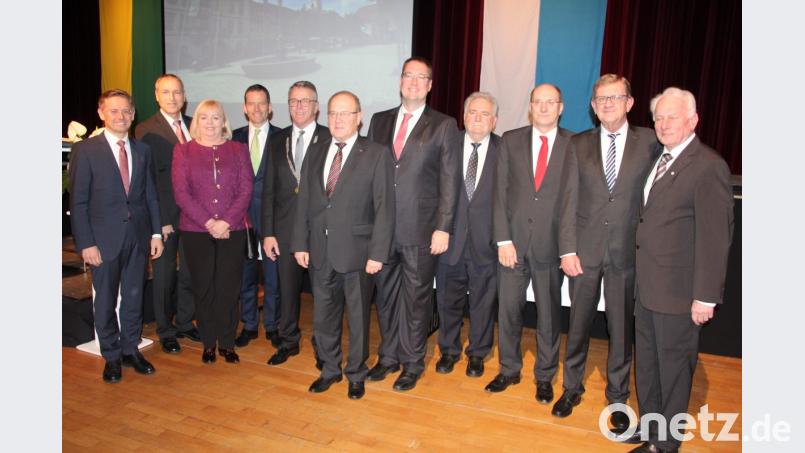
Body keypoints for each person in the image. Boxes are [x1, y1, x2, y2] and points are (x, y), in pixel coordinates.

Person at [626, 87, 733, 453]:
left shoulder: (708, 166)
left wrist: (705, 296)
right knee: (649, 363)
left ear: (693, 120)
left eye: (673, 116)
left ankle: (666, 443)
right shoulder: (659, 158)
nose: (664, 124)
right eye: (659, 117)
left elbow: (715, 238)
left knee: (673, 369)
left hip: (679, 293)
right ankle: (650, 423)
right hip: (648, 287)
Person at [552, 74, 659, 428]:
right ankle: (571, 386)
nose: (607, 104)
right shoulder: (577, 144)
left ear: (630, 103)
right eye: (601, 99)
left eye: (615, 98)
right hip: (584, 251)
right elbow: (566, 200)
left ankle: (617, 397)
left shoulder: (650, 142)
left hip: (627, 253)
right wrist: (567, 249)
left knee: (620, 330)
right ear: (593, 107)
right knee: (578, 324)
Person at [291, 91, 394, 400]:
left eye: (345, 113)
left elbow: (385, 207)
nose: (337, 119)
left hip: (359, 254)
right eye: (333, 113)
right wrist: (300, 242)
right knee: (323, 315)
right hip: (320, 251)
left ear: (358, 118)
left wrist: (378, 253)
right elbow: (305, 202)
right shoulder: (316, 150)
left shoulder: (376, 153)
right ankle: (330, 370)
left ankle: (356, 373)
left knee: (359, 317)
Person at [366, 56, 460, 392]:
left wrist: (443, 227)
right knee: (386, 298)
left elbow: (451, 181)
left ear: (430, 85)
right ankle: (388, 357)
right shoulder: (378, 121)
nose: (414, 82)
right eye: (409, 75)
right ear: (401, 80)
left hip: (422, 230)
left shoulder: (444, 125)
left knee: (417, 300)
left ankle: (412, 362)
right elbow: (371, 175)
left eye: (422, 77)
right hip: (382, 230)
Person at [70, 89, 164, 383]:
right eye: (114, 111)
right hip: (103, 242)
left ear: (133, 114)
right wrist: (86, 243)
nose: (121, 116)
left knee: (134, 297)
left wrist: (156, 233)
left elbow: (150, 195)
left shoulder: (142, 150)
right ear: (101, 113)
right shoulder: (86, 151)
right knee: (105, 300)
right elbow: (79, 202)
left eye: (126, 111)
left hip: (138, 238)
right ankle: (110, 356)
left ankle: (130, 349)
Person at [486, 83, 572, 404]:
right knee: (508, 310)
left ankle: (545, 376)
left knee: (549, 315)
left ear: (561, 107)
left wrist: (567, 247)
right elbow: (500, 194)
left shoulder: (573, 144)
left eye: (551, 102)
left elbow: (572, 202)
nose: (545, 107)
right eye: (539, 102)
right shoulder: (511, 140)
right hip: (512, 245)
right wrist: (503, 239)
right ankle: (509, 369)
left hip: (551, 246)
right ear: (530, 106)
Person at [172, 100, 253, 364]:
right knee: (203, 288)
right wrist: (209, 222)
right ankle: (208, 342)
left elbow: (245, 189)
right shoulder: (183, 151)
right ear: (196, 122)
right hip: (196, 231)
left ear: (224, 122)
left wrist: (226, 221)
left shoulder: (238, 149)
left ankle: (227, 342)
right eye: (204, 118)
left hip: (234, 229)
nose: (210, 123)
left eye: (215, 118)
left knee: (228, 288)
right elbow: (181, 194)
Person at [262, 81, 331, 366]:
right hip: (285, 230)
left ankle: (322, 345)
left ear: (316, 106)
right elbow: (269, 189)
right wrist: (268, 233)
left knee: (322, 293)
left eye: (305, 101)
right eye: (293, 101)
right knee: (287, 291)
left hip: (320, 231)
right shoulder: (277, 140)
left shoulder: (330, 137)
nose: (299, 106)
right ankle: (288, 340)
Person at [434, 92, 500, 378]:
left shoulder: (505, 149)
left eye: (484, 114)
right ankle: (448, 350)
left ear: (494, 120)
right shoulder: (446, 145)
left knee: (483, 303)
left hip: (486, 243)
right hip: (449, 241)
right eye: (473, 112)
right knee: (448, 300)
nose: (477, 118)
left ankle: (478, 353)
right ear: (464, 116)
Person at [134, 74, 200, 354]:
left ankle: (185, 321)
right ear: (156, 95)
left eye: (177, 92)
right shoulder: (145, 130)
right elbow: (147, 180)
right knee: (163, 277)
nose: (172, 98)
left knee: (189, 272)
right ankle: (165, 329)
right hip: (166, 217)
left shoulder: (194, 126)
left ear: (184, 96)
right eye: (166, 92)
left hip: (194, 216)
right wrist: (160, 221)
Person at [231, 84, 282, 349]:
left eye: (262, 103)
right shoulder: (234, 138)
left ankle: (272, 326)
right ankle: (249, 325)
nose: (257, 108)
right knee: (245, 277)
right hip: (241, 220)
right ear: (244, 108)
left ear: (270, 107)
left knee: (274, 278)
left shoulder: (282, 138)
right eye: (251, 103)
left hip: (272, 219)